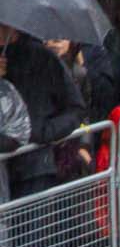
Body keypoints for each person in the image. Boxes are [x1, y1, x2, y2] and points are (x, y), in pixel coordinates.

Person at [1, 25, 87, 200]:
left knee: (30, 226)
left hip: (34, 168)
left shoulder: (42, 57)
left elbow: (76, 108)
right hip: (4, 169)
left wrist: (45, 131)